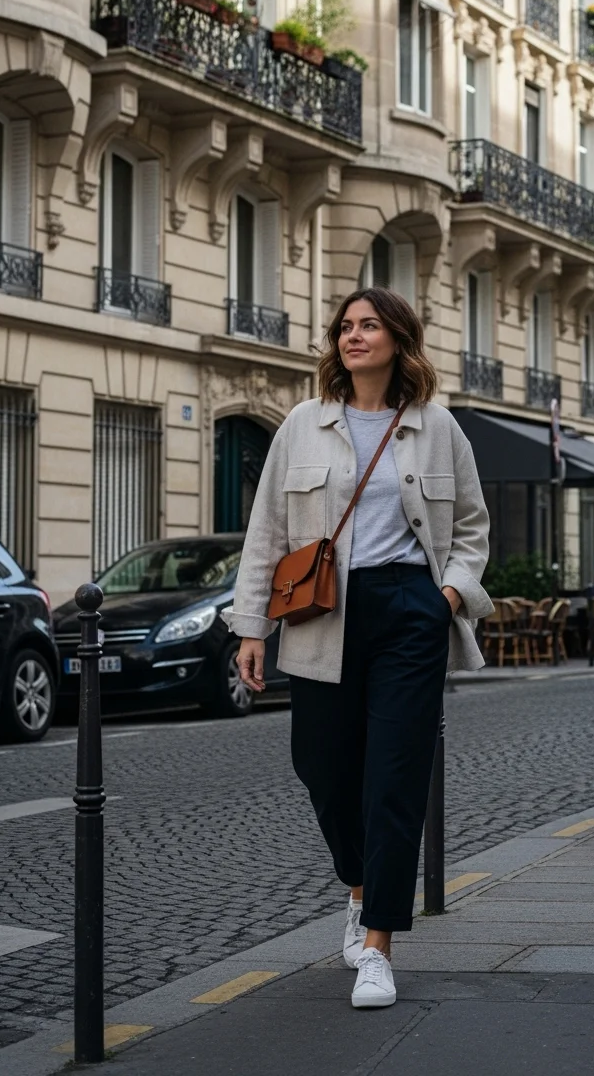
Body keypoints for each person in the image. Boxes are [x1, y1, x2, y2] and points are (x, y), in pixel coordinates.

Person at [223, 288, 492, 1009]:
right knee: (322, 767)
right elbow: (266, 536)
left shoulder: (439, 428)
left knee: (395, 779)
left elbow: (471, 526)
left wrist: (450, 596)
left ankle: (379, 945)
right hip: (323, 614)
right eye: (345, 326)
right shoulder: (303, 427)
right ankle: (361, 884)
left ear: (400, 339)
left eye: (369, 325)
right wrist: (251, 626)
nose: (353, 336)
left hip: (410, 609)